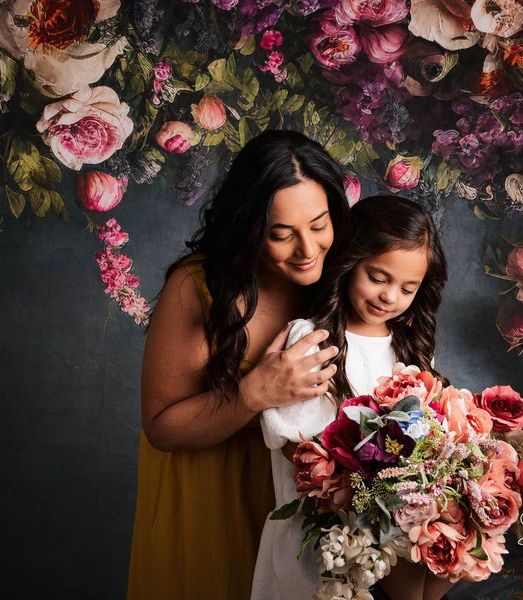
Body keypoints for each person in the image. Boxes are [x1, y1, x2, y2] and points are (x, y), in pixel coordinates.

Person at [127, 130, 351, 600]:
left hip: (299, 504)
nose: (308, 250)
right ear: (249, 226)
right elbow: (162, 428)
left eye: (319, 224)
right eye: (281, 234)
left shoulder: (341, 281)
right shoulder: (198, 288)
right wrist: (255, 393)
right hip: (211, 500)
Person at [250, 195, 452, 600]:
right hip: (327, 528)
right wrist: (370, 484)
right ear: (349, 261)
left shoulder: (411, 348)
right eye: (378, 277)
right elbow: (298, 453)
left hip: (400, 514)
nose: (390, 297)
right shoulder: (312, 340)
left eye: (408, 288)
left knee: (448, 552)